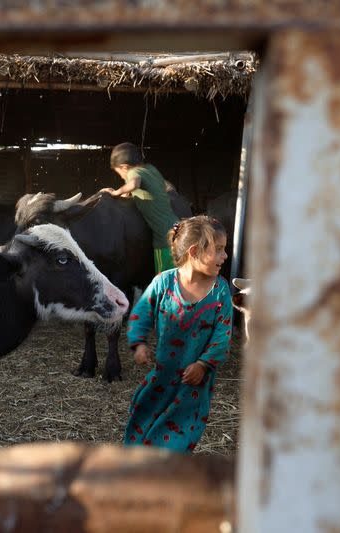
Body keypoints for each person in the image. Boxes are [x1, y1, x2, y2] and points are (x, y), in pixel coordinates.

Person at [123, 215, 232, 453]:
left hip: (194, 384)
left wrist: (204, 364)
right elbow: (140, 314)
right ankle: (132, 469)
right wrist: (139, 343)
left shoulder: (220, 291)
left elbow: (222, 335)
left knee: (178, 433)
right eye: (220, 250)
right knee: (143, 420)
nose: (225, 256)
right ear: (194, 251)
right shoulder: (163, 283)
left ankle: (165, 475)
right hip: (162, 376)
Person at [100, 142, 179, 272]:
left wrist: (115, 193)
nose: (121, 176)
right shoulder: (151, 169)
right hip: (176, 226)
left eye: (119, 172)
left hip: (164, 238)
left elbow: (134, 184)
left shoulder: (133, 172)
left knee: (163, 278)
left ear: (124, 167)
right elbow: (142, 190)